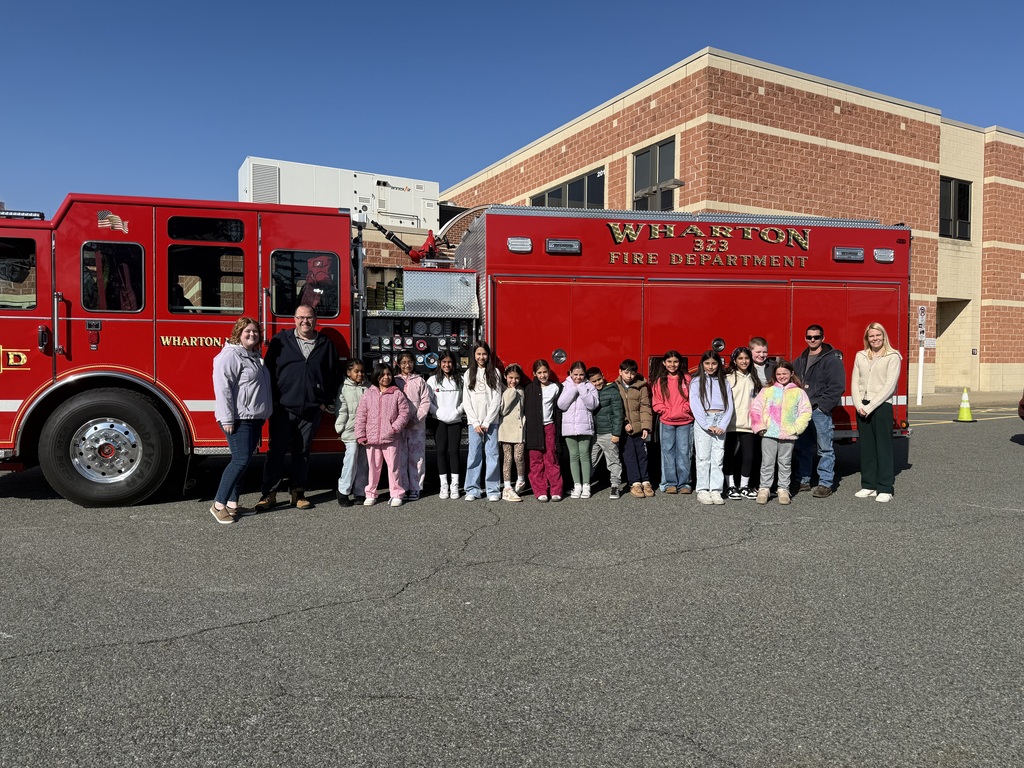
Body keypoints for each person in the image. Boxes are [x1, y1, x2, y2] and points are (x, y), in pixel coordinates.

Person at [256, 304, 339, 511]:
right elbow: (268, 372)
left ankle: (298, 493)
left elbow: (334, 375)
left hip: (311, 410)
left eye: (309, 318)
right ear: (294, 319)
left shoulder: (325, 344)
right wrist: (273, 401)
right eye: (301, 317)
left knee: (302, 452)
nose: (305, 321)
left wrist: (323, 402)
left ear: (316, 319)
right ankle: (269, 494)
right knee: (276, 451)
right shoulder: (281, 341)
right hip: (283, 408)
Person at [210, 317, 272, 524]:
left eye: (255, 332)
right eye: (247, 331)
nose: (252, 335)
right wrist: (228, 418)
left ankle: (232, 505)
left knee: (244, 462)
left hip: (253, 417)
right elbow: (223, 389)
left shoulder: (253, 355)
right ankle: (218, 505)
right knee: (240, 460)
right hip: (238, 418)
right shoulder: (229, 356)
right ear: (238, 333)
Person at [851, 322, 902, 503]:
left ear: (884, 336)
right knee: (867, 448)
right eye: (871, 336)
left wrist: (870, 406)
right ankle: (868, 485)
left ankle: (885, 487)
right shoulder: (861, 356)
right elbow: (855, 382)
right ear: (867, 338)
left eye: (878, 335)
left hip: (881, 407)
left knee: (883, 448)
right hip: (862, 407)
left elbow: (889, 386)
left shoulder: (893, 356)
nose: (875, 339)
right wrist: (858, 405)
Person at [793, 324, 845, 498]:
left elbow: (837, 387)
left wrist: (822, 407)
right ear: (805, 338)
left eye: (816, 337)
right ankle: (804, 480)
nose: (812, 340)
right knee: (802, 447)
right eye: (809, 337)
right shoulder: (800, 359)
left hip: (819, 411)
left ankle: (825, 483)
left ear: (823, 338)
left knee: (825, 449)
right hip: (802, 412)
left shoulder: (831, 359)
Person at [751, 361, 812, 505]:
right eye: (778, 374)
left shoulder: (798, 392)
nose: (781, 376)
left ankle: (783, 488)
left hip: (788, 433)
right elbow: (756, 408)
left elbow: (805, 411)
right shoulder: (767, 390)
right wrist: (759, 426)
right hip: (769, 432)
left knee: (785, 462)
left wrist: (796, 428)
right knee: (767, 462)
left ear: (791, 373)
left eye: (784, 373)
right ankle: (764, 488)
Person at [355, 362, 410, 507]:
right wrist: (361, 434)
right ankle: (371, 493)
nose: (386, 377)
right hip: (372, 439)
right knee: (373, 468)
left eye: (388, 374)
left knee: (394, 467)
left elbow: (404, 413)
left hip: (391, 437)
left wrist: (394, 428)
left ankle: (397, 493)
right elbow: (361, 415)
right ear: (376, 376)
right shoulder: (368, 394)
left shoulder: (397, 393)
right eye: (382, 374)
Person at [689, 350, 734, 506]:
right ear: (702, 364)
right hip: (705, 421)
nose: (710, 366)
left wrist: (722, 425)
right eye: (707, 363)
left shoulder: (724, 382)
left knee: (717, 458)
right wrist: (707, 425)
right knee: (703, 457)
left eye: (714, 363)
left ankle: (715, 489)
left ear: (719, 364)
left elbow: (729, 406)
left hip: (720, 419)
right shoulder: (696, 382)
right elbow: (695, 405)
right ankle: (702, 489)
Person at [463, 341, 503, 502]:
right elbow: (466, 400)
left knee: (492, 455)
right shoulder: (468, 374)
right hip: (474, 424)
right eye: (478, 354)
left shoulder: (495, 372)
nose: (481, 357)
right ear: (474, 355)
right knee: (474, 456)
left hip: (491, 423)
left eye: (484, 354)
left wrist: (487, 421)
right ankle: (472, 489)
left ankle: (493, 489)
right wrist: (474, 422)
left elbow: (497, 399)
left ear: (488, 355)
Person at [651, 350, 693, 494]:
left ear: (680, 363)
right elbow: (656, 402)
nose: (672, 364)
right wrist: (666, 411)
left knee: (684, 452)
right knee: (667, 452)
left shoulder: (687, 379)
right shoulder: (659, 381)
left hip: (685, 421)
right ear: (664, 363)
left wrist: (685, 409)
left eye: (675, 361)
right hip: (666, 421)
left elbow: (693, 399)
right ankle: (669, 483)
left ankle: (685, 484)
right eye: (669, 362)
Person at [558, 360, 600, 499]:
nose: (578, 377)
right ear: (570, 373)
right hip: (569, 427)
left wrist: (581, 388)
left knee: (584, 455)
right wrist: (574, 389)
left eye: (581, 375)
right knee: (573, 456)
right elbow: (562, 405)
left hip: (585, 426)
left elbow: (592, 404)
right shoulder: (565, 386)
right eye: (575, 374)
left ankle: (586, 485)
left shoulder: (589, 386)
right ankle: (577, 485)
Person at [524, 359, 563, 502]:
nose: (542, 375)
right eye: (539, 373)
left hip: (549, 426)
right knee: (535, 460)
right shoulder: (529, 389)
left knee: (551, 458)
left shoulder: (556, 387)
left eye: (545, 372)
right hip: (534, 428)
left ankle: (556, 490)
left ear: (549, 371)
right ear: (534, 374)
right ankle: (540, 490)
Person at [615, 358, 655, 498]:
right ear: (620, 372)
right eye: (626, 373)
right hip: (625, 429)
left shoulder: (641, 386)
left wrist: (646, 427)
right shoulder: (615, 386)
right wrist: (624, 422)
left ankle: (645, 481)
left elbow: (645, 407)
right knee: (629, 456)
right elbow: (617, 408)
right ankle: (635, 483)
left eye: (632, 373)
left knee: (642, 455)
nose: (629, 376)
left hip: (639, 428)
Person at [725, 346, 761, 500]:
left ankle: (744, 486)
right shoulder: (728, 378)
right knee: (729, 456)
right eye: (740, 358)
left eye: (746, 358)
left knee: (749, 456)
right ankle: (731, 486)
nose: (744, 361)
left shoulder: (754, 378)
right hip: (730, 424)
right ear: (734, 360)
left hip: (748, 424)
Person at [428, 351, 464, 499]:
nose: (446, 365)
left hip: (455, 421)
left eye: (449, 362)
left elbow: (466, 399)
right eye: (443, 362)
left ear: (453, 363)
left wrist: (458, 411)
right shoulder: (432, 380)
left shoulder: (461, 379)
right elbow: (428, 401)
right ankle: (444, 485)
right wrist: (438, 413)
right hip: (439, 421)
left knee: (454, 451)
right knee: (441, 451)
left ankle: (454, 485)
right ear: (439, 363)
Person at [395, 351, 430, 500]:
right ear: (398, 364)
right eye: (403, 362)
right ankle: (402, 487)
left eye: (409, 362)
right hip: (399, 426)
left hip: (416, 426)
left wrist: (415, 419)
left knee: (417, 457)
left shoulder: (420, 381)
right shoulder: (394, 380)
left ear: (414, 362)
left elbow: (425, 402)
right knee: (400, 457)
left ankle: (416, 487)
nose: (407, 365)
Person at [334, 359, 369, 507]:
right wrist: (340, 428)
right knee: (351, 457)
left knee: (363, 461)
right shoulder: (344, 389)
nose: (360, 374)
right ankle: (343, 491)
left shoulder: (369, 387)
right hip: (350, 430)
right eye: (356, 371)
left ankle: (360, 491)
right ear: (349, 373)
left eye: (362, 371)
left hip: (366, 431)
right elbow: (341, 409)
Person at [588, 366, 624, 499]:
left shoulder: (612, 391)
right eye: (594, 381)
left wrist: (616, 433)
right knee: (590, 460)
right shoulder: (589, 392)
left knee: (613, 461)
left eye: (599, 379)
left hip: (609, 433)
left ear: (603, 376)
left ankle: (615, 486)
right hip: (594, 434)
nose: (598, 383)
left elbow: (618, 413)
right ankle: (585, 485)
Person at [498, 363, 527, 502]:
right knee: (507, 458)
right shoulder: (504, 390)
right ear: (505, 377)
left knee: (519, 457)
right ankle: (507, 487)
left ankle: (521, 479)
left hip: (519, 429)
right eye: (510, 377)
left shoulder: (522, 391)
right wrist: (511, 391)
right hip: (505, 429)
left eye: (516, 378)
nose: (513, 381)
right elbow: (503, 410)